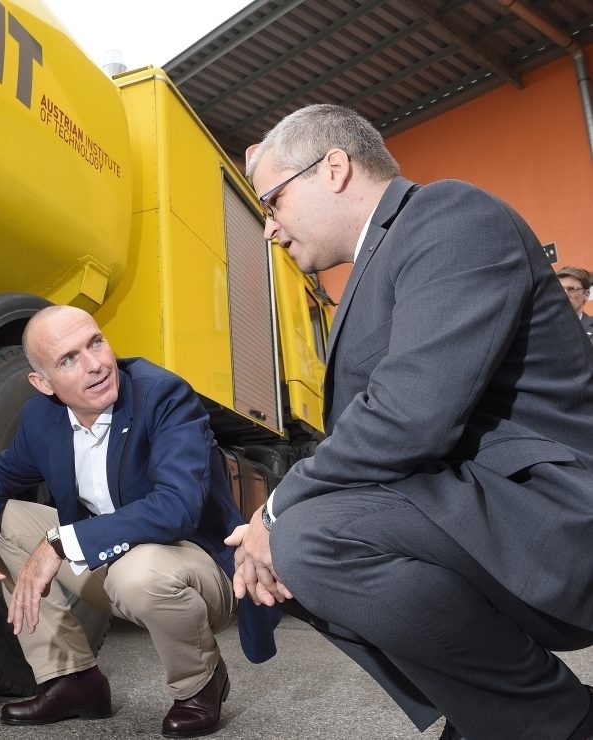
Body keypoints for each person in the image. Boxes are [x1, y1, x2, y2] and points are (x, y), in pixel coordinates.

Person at [229, 103, 593, 740]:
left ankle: (556, 720)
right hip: (482, 510)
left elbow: (409, 417)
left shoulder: (450, 217)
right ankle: (490, 713)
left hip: (551, 516)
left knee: (312, 539)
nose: (269, 228)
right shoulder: (382, 258)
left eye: (273, 200)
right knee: (299, 541)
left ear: (333, 169)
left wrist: (275, 512)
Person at [0, 305, 277, 738]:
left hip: (205, 571)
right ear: (43, 384)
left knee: (137, 572)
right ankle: (72, 680)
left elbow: (177, 507)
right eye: (69, 359)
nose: (95, 365)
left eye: (96, 342)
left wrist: (59, 543)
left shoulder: (163, 396)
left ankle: (200, 682)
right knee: (2, 519)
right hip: (117, 559)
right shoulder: (42, 418)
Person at [557, 265, 593, 347]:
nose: (565, 294)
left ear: (586, 295)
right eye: (559, 289)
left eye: (573, 289)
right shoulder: (542, 330)